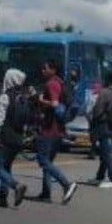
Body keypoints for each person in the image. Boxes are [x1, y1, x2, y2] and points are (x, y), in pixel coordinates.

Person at [31, 58, 79, 204]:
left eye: (45, 68)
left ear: (52, 70)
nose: (42, 70)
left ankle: (66, 185)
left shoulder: (52, 84)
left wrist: (38, 99)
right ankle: (46, 193)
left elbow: (54, 104)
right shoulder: (60, 83)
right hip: (58, 129)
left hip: (49, 129)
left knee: (43, 160)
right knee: (48, 162)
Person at [0, 68, 29, 208]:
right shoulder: (22, 98)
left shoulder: (5, 97)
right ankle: (3, 196)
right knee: (6, 166)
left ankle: (16, 185)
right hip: (18, 138)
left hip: (5, 137)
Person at [87, 69, 112, 188]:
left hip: (105, 125)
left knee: (107, 153)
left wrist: (94, 121)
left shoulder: (105, 92)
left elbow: (97, 110)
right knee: (105, 152)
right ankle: (99, 176)